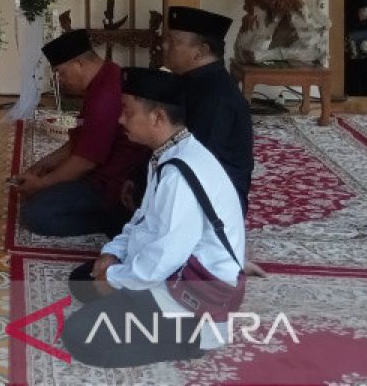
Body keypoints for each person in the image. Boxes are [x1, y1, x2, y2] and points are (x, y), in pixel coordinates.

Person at [62, 68, 246, 367]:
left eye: (127, 111)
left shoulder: (179, 175)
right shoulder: (170, 152)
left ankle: (192, 339)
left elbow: (166, 257)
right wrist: (112, 255)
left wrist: (115, 278)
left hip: (193, 291)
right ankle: (131, 304)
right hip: (171, 269)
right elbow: (144, 221)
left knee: (80, 335)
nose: (120, 119)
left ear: (158, 117)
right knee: (82, 279)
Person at [12, 30, 148, 238]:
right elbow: (81, 139)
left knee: (36, 214)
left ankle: (115, 221)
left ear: (80, 64)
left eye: (61, 72)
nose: (60, 80)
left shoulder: (104, 95)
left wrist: (41, 185)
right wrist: (44, 165)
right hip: (96, 171)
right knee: (44, 185)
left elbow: (85, 161)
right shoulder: (107, 74)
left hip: (111, 185)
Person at [163, 6, 254, 215]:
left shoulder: (216, 96)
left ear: (201, 51)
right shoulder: (189, 81)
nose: (164, 45)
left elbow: (197, 159)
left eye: (174, 41)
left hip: (214, 201)